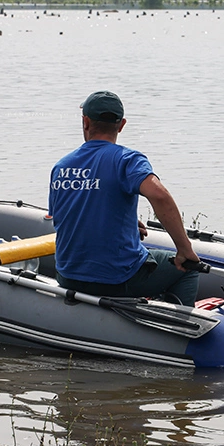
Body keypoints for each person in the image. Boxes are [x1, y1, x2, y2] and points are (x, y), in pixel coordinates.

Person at [48, 90, 202, 306]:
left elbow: (65, 218)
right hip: (117, 279)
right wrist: (184, 249)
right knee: (186, 270)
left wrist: (125, 223)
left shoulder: (61, 167)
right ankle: (177, 332)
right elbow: (159, 195)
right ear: (121, 125)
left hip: (68, 277)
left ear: (85, 122)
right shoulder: (127, 160)